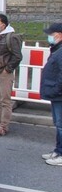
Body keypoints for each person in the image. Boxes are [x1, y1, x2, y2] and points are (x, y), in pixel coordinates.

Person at [0, 14, 23, 137]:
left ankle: (3, 126)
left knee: (5, 100)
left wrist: (7, 69)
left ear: (3, 24)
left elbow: (17, 56)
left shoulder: (11, 37)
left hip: (3, 73)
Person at [40, 23, 62, 166]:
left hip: (58, 94)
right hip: (56, 94)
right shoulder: (57, 49)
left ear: (59, 35)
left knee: (61, 125)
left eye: (51, 34)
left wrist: (56, 90)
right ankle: (58, 150)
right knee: (58, 124)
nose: (49, 37)